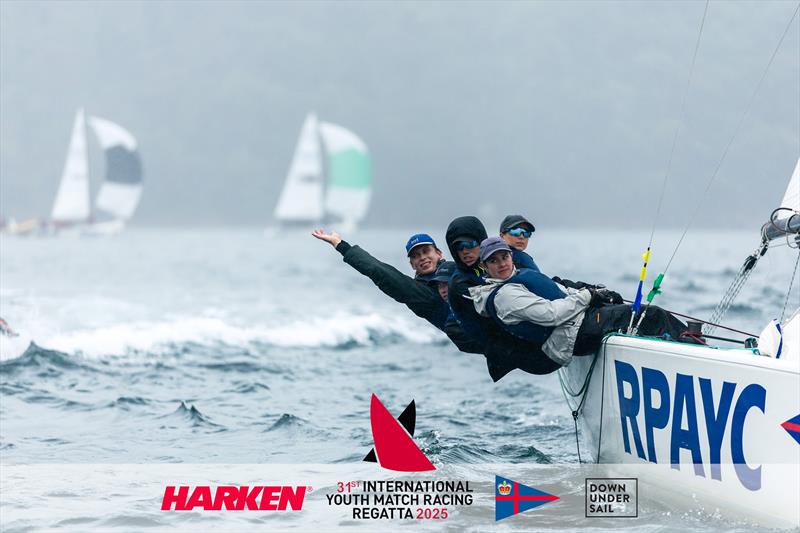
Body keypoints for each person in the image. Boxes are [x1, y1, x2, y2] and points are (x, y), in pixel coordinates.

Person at [470, 237, 695, 370]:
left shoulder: (519, 277)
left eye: (504, 257)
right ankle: (695, 354)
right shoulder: (504, 296)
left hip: (576, 325)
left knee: (637, 317)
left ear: (511, 256)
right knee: (652, 315)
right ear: (484, 266)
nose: (501, 264)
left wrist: (598, 293)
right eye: (493, 260)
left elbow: (560, 293)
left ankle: (683, 350)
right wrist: (588, 297)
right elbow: (551, 314)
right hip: (571, 336)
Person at [311, 229, 478, 353]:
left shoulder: (460, 269)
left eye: (426, 251)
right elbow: (380, 272)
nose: (422, 258)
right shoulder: (418, 294)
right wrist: (342, 246)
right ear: (412, 264)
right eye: (416, 256)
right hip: (475, 336)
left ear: (439, 253)